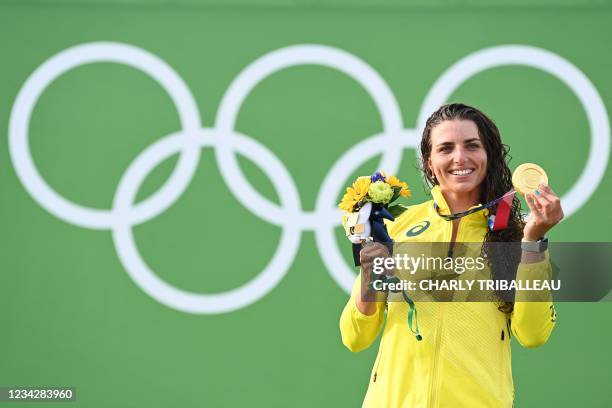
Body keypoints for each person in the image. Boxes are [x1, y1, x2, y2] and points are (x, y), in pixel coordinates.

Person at [339, 103, 564, 407]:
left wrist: (534, 242)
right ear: (429, 163)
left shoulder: (514, 235)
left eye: (472, 145)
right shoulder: (397, 225)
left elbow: (533, 334)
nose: (460, 157)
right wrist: (370, 277)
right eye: (445, 148)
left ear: (490, 156)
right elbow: (355, 337)